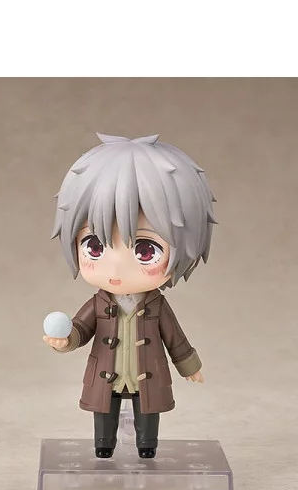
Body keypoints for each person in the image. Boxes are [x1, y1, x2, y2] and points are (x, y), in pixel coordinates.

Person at [45, 133, 215, 459]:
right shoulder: (98, 303)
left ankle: (147, 444)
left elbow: (175, 338)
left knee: (147, 409)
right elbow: (81, 328)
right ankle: (104, 443)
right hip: (106, 373)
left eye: (146, 250)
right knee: (104, 409)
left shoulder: (156, 304)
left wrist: (189, 366)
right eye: (94, 246)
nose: (116, 266)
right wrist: (66, 340)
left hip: (146, 372)